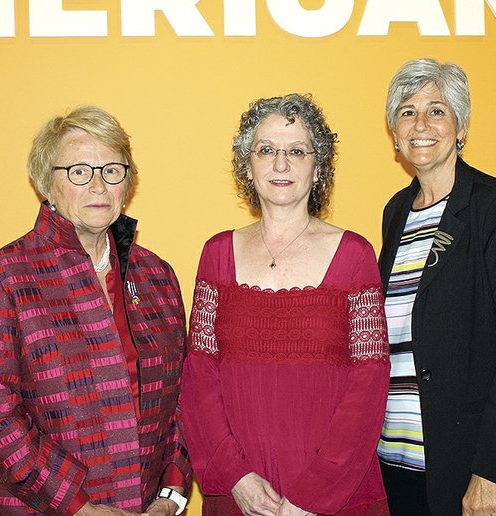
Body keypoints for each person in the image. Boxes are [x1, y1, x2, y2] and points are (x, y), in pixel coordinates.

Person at [0, 106, 191, 516]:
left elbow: (185, 397)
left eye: (112, 170)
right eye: (79, 171)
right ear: (46, 182)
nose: (98, 186)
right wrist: (78, 507)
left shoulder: (157, 276)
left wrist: (171, 493)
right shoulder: (1, 278)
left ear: (127, 182)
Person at [180, 94, 391, 516]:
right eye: (266, 150)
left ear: (318, 168)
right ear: (247, 165)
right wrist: (235, 478)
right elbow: (199, 377)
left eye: (296, 151)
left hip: (335, 497)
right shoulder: (217, 254)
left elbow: (369, 382)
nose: (281, 164)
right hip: (240, 496)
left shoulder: (354, 255)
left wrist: (313, 495)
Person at [377, 58, 496, 515]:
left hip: (466, 464)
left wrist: (491, 473)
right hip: (394, 460)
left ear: (460, 127)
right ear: (395, 135)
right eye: (407, 111)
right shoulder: (395, 213)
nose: (420, 124)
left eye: (436, 110)